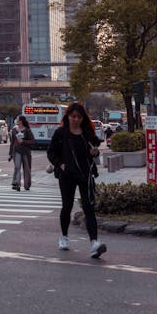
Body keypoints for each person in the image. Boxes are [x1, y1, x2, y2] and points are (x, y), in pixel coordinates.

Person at [47, 102, 106, 258]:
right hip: (67, 175)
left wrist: (94, 152)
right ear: (68, 117)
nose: (76, 119)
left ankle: (94, 243)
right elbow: (51, 152)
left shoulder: (87, 133)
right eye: (73, 116)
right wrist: (60, 164)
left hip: (85, 175)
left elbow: (94, 153)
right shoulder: (61, 133)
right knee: (67, 205)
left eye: (79, 117)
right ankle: (64, 237)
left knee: (89, 207)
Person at [8, 115, 35, 191]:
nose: (16, 120)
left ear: (21, 121)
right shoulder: (14, 130)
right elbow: (12, 142)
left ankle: (27, 184)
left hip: (26, 152)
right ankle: (17, 183)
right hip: (16, 151)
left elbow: (33, 141)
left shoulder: (27, 130)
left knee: (26, 168)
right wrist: (10, 154)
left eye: (17, 119)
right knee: (17, 167)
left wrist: (23, 141)